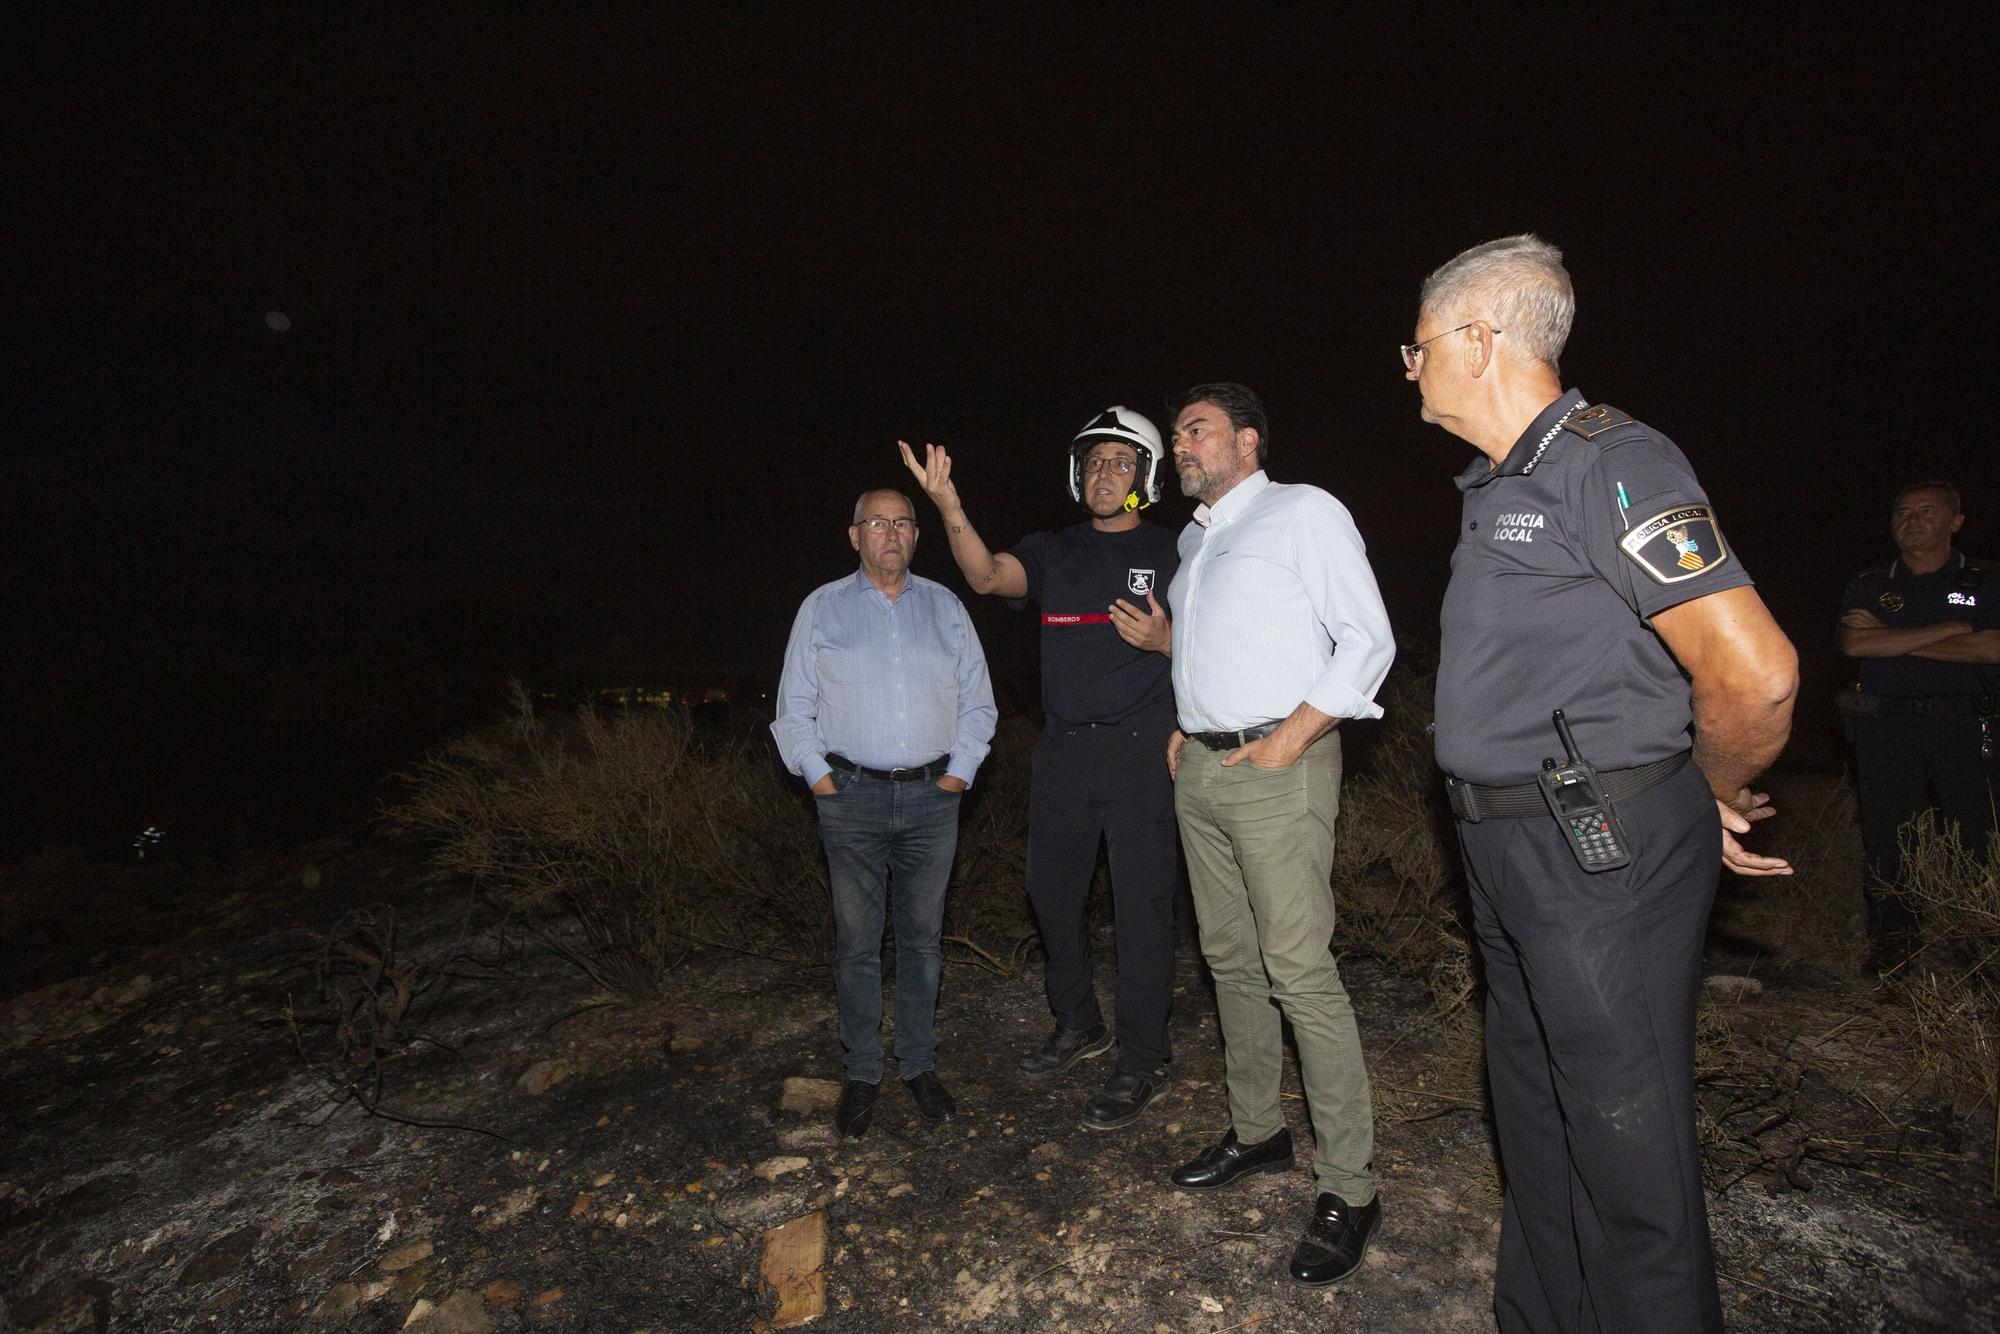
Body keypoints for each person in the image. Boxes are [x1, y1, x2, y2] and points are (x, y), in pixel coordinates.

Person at [1409, 234, 1799, 1332]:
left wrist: (1700, 790)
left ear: (1478, 341)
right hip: (1503, 853)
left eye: (1419, 343)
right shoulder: (1499, 483)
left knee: (1628, 1155)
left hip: (1596, 854)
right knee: (1536, 1119)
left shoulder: (1610, 461)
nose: (1407, 365)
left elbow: (1756, 674)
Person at [1159, 382, 1396, 1288]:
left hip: (1278, 769)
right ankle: (1258, 1132)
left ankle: (1352, 1186)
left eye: (1197, 429)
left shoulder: (1304, 512)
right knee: (1229, 961)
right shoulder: (1193, 540)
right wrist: (1189, 717)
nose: (1180, 444)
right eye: (1177, 432)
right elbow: (1213, 642)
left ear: (1247, 441)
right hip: (1202, 773)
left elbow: (1366, 639)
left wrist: (1291, 734)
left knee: (1299, 969)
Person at [898, 407, 1182, 1130]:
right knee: (1051, 892)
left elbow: (1223, 638)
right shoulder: (1054, 551)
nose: (1103, 474)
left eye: (1120, 462)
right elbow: (987, 575)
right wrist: (948, 505)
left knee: (1142, 905)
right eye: (1093, 462)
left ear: (1145, 475)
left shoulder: (1181, 548)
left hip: (1143, 747)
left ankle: (1142, 1057)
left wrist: (1168, 640)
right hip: (1063, 747)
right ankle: (1079, 1023)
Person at [771, 488, 997, 1139]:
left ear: (916, 537)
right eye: (878, 522)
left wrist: (960, 773)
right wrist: (819, 779)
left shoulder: (946, 608)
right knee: (857, 946)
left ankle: (919, 1066)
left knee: (923, 943)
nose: (890, 533)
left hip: (933, 798)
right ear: (855, 536)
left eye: (902, 522)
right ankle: (864, 1073)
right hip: (851, 799)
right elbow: (794, 709)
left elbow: (978, 703)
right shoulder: (823, 609)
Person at [1839, 481, 1999, 964]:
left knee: (1978, 838)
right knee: (1890, 837)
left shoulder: (1986, 579)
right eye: (1903, 511)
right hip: (1888, 726)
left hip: (1968, 725)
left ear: (1955, 521)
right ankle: (1893, 947)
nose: (1911, 519)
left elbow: (1993, 648)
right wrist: (1950, 633)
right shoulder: (1871, 582)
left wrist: (1897, 639)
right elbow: (1855, 646)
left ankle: (1981, 948)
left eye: (1926, 510)